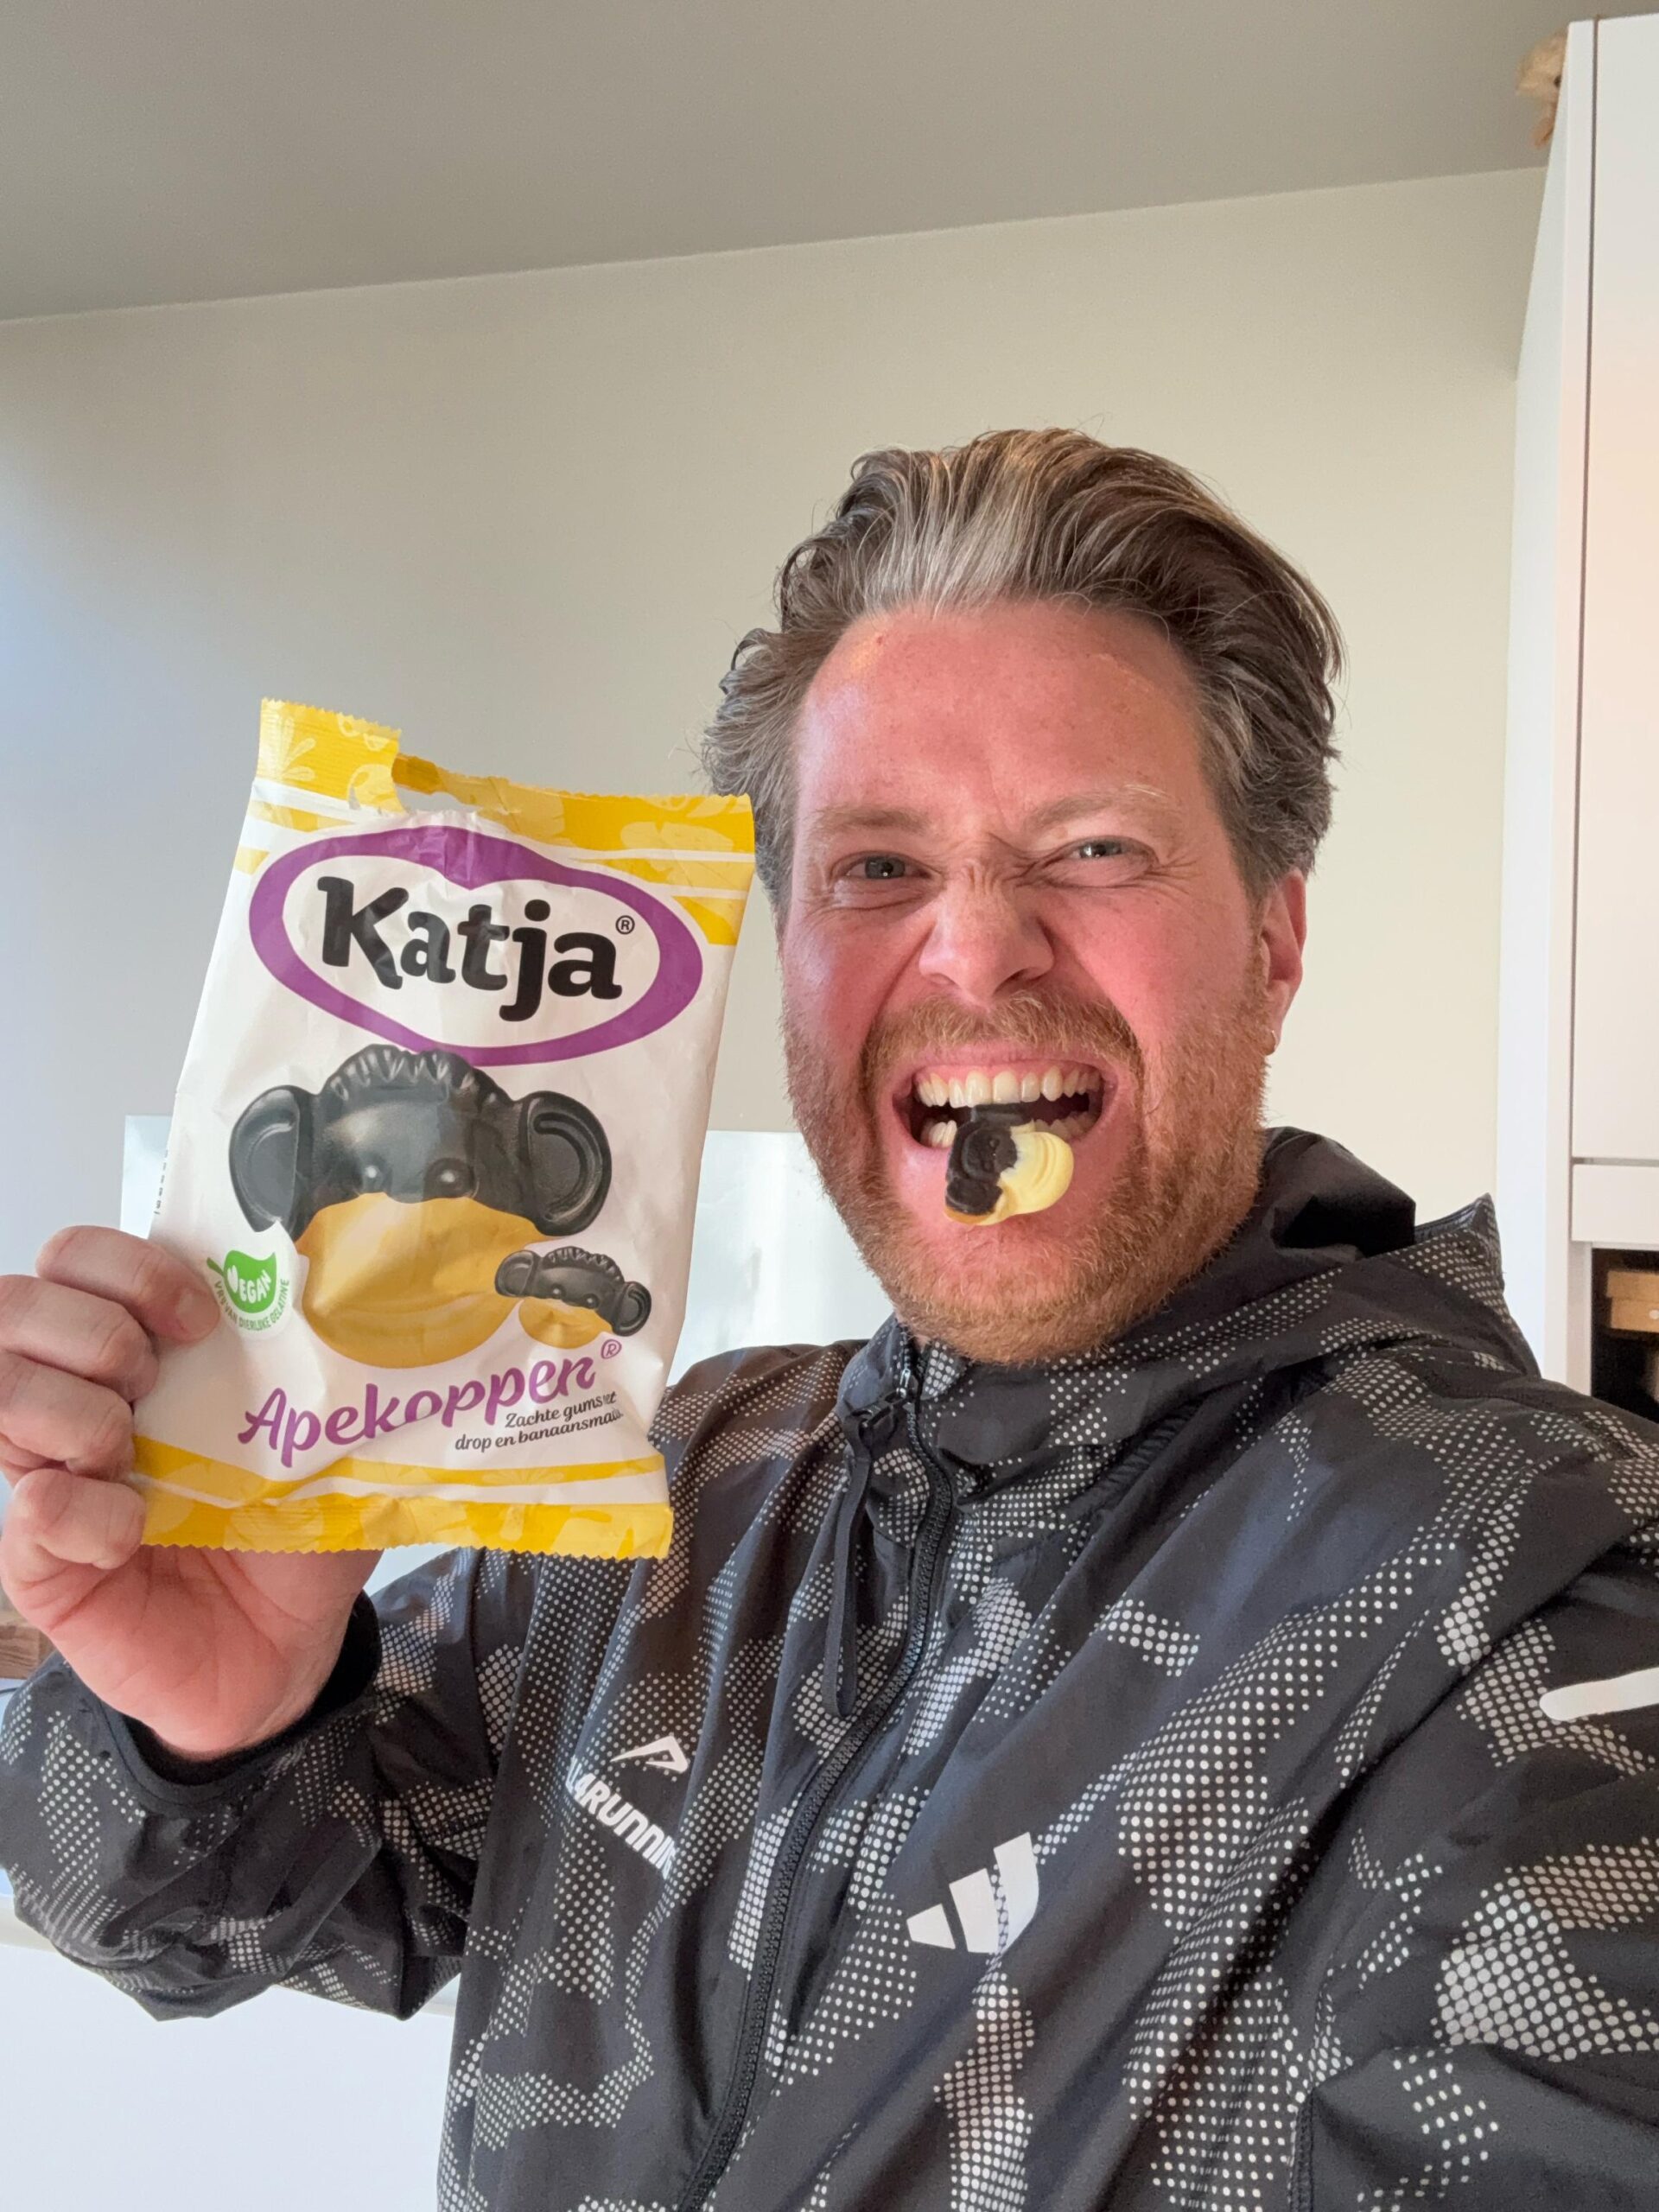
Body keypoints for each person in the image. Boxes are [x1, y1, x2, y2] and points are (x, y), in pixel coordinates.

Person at [2, 429, 1657, 2211]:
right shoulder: (681, 1482)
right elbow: (199, 1915)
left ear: (1273, 939)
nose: (978, 951)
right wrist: (210, 1722)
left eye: (1094, 846)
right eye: (876, 867)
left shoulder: (1551, 1596)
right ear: (786, 956)